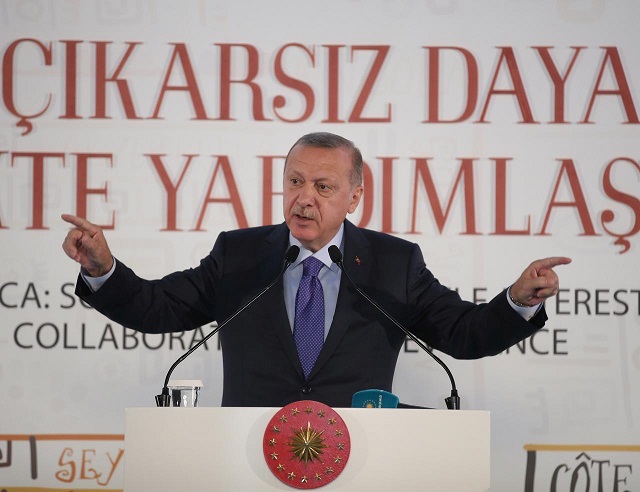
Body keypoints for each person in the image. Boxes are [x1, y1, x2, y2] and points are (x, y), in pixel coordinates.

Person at [62, 132, 571, 408]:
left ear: (354, 196)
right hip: (247, 460)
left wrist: (518, 301)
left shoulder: (394, 263)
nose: (304, 199)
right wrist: (105, 269)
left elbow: (461, 334)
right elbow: (159, 307)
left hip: (360, 462)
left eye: (323, 187)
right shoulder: (241, 254)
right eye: (295, 182)